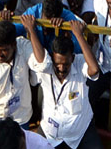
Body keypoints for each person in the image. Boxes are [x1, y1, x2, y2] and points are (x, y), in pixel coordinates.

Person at [20, 14, 101, 149]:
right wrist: (31, 30)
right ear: (52, 58)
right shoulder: (46, 66)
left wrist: (79, 35)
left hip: (80, 132)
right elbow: (40, 60)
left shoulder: (80, 62)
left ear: (73, 58)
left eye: (66, 64)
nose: (61, 68)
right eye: (58, 64)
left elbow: (94, 69)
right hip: (50, 132)